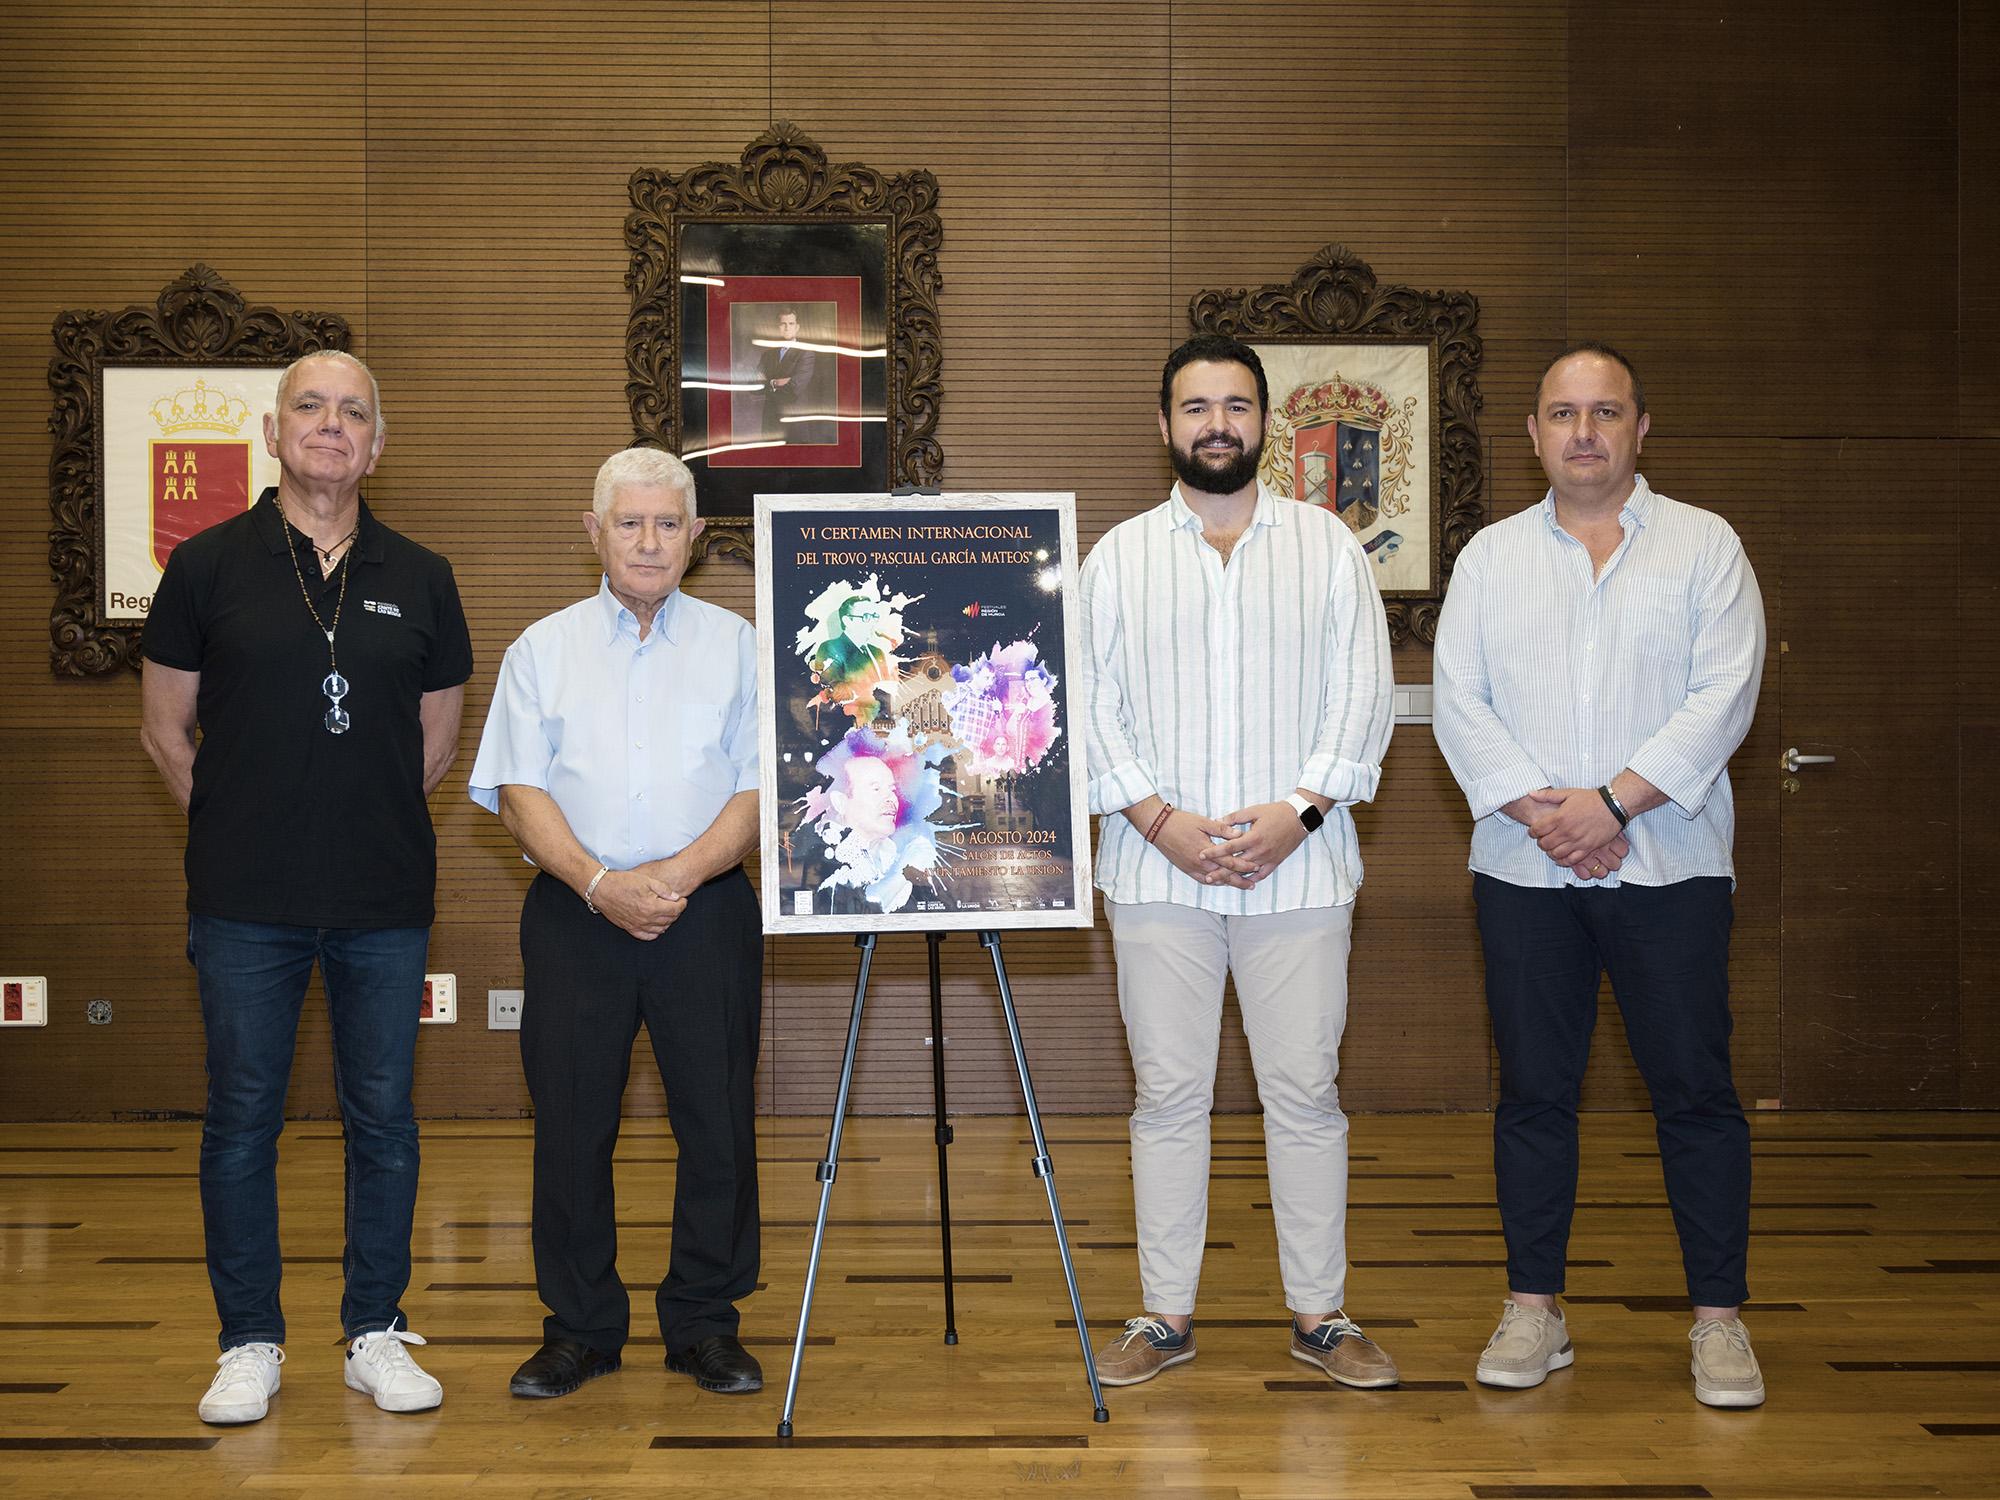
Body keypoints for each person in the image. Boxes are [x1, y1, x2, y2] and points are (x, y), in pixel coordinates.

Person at [1432, 342, 1768, 1407]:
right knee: (1533, 1096)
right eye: (1562, 414)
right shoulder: (1489, 556)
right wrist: (1552, 815)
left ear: (1638, 428)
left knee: (1695, 1095)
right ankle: (1534, 1310)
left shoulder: (1704, 548)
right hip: (1523, 875)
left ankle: (1717, 1322)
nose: (1582, 432)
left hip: (1670, 868)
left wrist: (1610, 804)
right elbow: (1458, 702)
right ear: (1532, 434)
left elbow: (1721, 698)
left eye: (1604, 412)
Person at [140, 349, 471, 1425]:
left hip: (382, 899)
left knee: (382, 1118)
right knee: (242, 1119)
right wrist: (250, 821)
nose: (331, 426)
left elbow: (431, 744)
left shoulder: (422, 573)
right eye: (311, 407)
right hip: (243, 902)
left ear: (378, 443)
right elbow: (164, 729)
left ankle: (374, 1329)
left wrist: (342, 814)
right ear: (275, 430)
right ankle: (248, 1340)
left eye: (353, 413)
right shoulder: (205, 566)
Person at [1077, 333, 1399, 1389]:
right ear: (1162, 425)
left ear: (1263, 422)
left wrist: (1298, 812)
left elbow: (1360, 698)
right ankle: (1162, 1315)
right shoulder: (1117, 558)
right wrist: (1156, 816)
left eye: (1234, 406)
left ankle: (1320, 1316)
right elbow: (1089, 706)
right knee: (1167, 1097)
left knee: (1303, 1094)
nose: (1215, 423)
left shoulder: (1329, 548)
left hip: (1298, 875)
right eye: (1194, 406)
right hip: (1154, 872)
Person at [468, 447, 763, 1401]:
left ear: (696, 538)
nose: (647, 541)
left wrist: (666, 880)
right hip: (573, 914)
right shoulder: (540, 650)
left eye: (666, 523)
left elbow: (764, 788)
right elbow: (518, 791)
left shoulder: (741, 646)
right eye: (628, 522)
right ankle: (581, 1328)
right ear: (592, 533)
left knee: (715, 1124)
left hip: (706, 910)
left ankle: (705, 1324)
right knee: (569, 1123)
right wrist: (601, 885)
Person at [758, 307, 818, 436]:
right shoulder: (767, 355)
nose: (787, 328)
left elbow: (794, 388)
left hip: (793, 422)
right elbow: (754, 386)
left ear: (797, 327)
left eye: (791, 324)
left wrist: (768, 383)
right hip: (770, 422)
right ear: (777, 327)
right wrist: (776, 382)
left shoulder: (806, 353)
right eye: (783, 324)